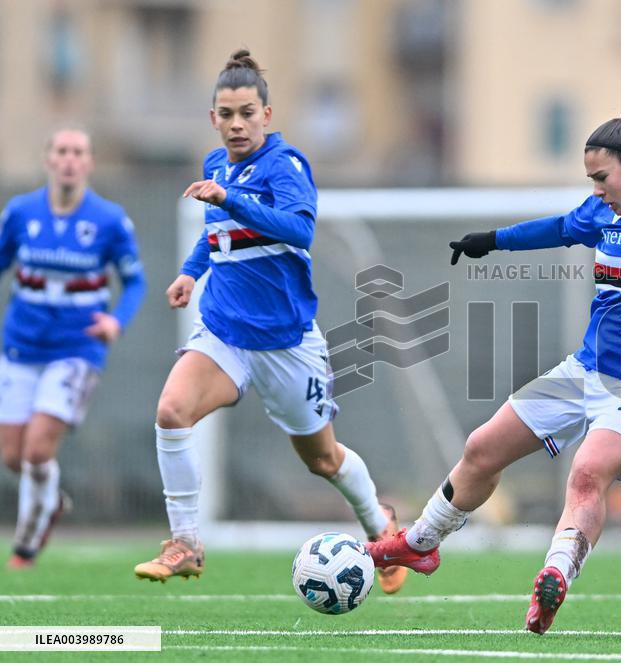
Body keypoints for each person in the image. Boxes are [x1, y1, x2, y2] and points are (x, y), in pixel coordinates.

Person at [366, 98, 621, 634]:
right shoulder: (604, 212)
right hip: (583, 372)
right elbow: (558, 228)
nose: (595, 190)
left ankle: (554, 576)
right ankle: (419, 546)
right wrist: (491, 242)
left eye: (601, 177)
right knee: (481, 449)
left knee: (586, 473)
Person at [133, 49, 406, 594]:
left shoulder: (286, 165)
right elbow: (216, 234)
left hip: (287, 342)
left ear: (268, 115)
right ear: (213, 119)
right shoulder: (216, 166)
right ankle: (185, 544)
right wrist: (191, 273)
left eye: (248, 113)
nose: (237, 124)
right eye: (227, 114)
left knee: (323, 460)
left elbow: (299, 230)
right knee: (171, 411)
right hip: (224, 331)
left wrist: (231, 199)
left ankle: (380, 527)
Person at [0, 128, 146, 569]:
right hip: (21, 345)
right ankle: (52, 502)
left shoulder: (109, 219)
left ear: (89, 163)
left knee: (38, 451)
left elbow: (135, 280)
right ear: (48, 158)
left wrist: (115, 321)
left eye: (77, 152)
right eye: (61, 151)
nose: (69, 160)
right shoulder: (21, 212)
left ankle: (28, 542)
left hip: (76, 349)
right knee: (12, 457)